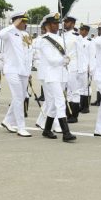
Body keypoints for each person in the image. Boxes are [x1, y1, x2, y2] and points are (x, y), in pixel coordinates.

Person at [39, 12, 76, 142]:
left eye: (57, 23)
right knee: (60, 102)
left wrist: (65, 60)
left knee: (55, 105)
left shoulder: (61, 38)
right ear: (47, 25)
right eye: (54, 23)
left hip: (62, 75)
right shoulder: (44, 40)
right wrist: (63, 60)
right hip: (52, 75)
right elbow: (51, 60)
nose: (57, 26)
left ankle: (47, 130)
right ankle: (66, 133)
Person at [0, 12, 33, 137]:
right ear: (16, 21)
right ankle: (21, 127)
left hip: (23, 70)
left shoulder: (26, 34)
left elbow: (29, 53)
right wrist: (13, 25)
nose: (25, 23)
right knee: (18, 97)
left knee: (22, 96)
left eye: (25, 21)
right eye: (22, 21)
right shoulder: (9, 32)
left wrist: (29, 71)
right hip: (12, 69)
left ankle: (7, 120)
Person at [77, 23, 92, 113]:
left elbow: (91, 56)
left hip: (86, 68)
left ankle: (86, 107)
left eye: (82, 30)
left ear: (86, 31)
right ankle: (81, 105)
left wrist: (90, 68)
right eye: (80, 29)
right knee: (80, 88)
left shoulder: (89, 42)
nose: (80, 31)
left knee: (86, 88)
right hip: (78, 68)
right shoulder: (78, 40)